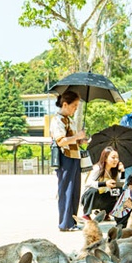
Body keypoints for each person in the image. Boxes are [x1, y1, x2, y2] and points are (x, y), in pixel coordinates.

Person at [50, 90, 87, 232]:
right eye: (74, 106)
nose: (75, 109)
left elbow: (73, 140)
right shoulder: (57, 120)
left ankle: (72, 221)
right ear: (65, 104)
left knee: (75, 191)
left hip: (75, 157)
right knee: (66, 190)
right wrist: (77, 136)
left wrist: (80, 139)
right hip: (65, 158)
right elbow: (61, 141)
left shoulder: (70, 120)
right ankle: (65, 223)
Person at [80, 146, 125, 220]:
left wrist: (123, 172)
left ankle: (105, 213)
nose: (116, 160)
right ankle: (86, 214)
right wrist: (105, 183)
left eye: (117, 158)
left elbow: (121, 184)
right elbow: (88, 183)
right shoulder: (97, 168)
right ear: (105, 158)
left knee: (118, 190)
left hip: (103, 198)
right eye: (113, 157)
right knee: (93, 190)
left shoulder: (113, 171)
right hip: (90, 198)